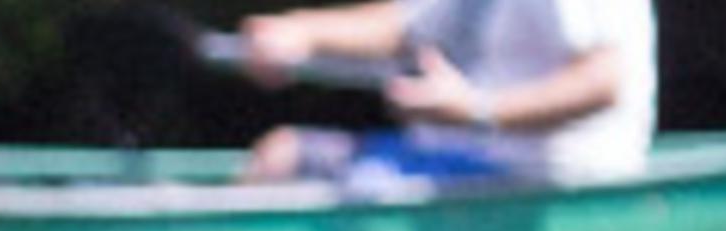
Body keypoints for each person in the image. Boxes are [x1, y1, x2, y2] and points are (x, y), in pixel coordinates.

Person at [233, 0, 655, 188]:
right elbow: (408, 25)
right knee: (282, 154)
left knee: (302, 169)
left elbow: (605, 80)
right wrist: (302, 32)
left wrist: (478, 109)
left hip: (545, 179)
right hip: (455, 162)